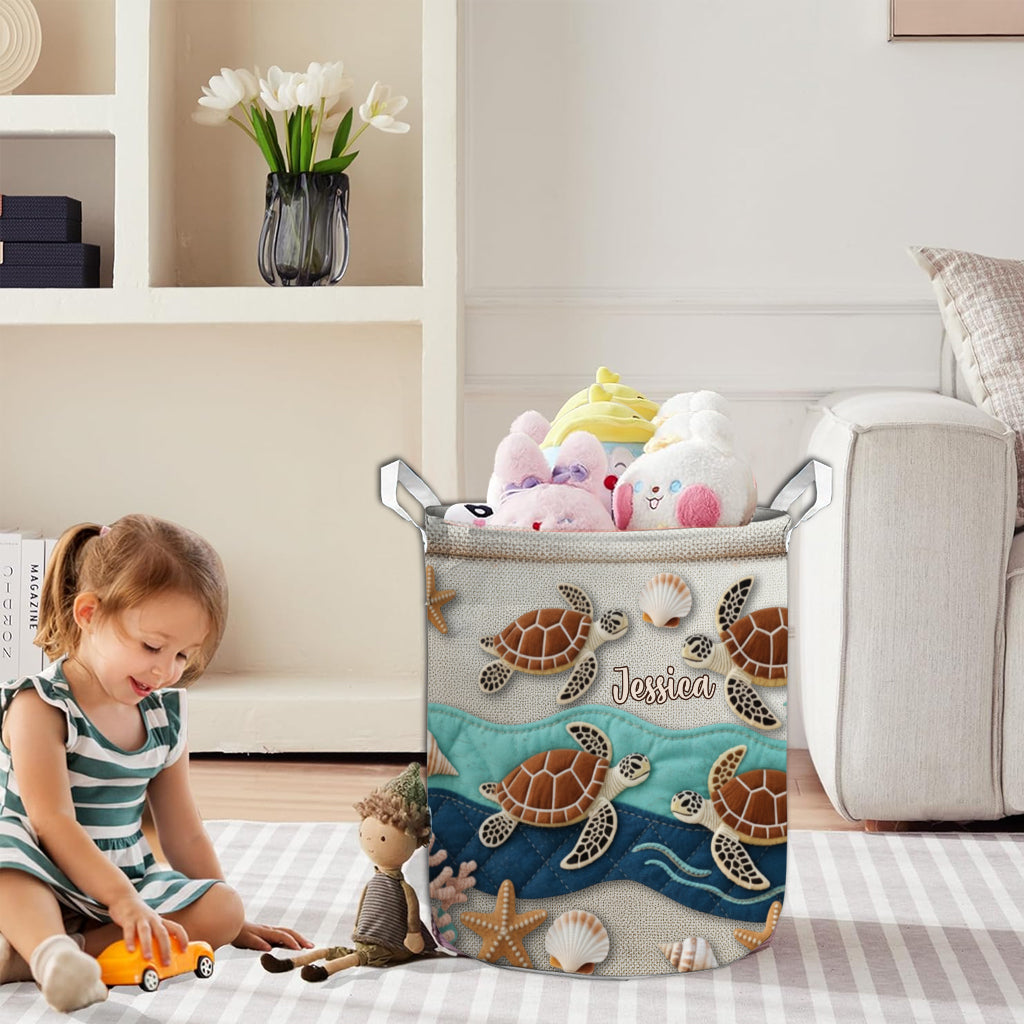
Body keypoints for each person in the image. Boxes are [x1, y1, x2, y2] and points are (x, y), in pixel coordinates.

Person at [0, 515, 312, 1011]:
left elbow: (183, 833)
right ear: (88, 614)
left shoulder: (163, 715)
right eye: (152, 646)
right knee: (7, 859)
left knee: (223, 908)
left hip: (124, 877)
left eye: (184, 656)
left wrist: (231, 921)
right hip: (40, 867)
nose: (166, 671)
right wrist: (121, 899)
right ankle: (45, 947)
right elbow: (50, 823)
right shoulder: (40, 706)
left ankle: (59, 954)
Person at [261, 762, 437, 981]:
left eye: (383, 838)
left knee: (357, 957)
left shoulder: (402, 888)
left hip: (391, 944)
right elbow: (364, 903)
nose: (371, 841)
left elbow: (412, 914)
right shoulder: (375, 881)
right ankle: (288, 963)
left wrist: (414, 935)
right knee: (331, 950)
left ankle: (324, 971)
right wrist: (357, 928)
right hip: (367, 937)